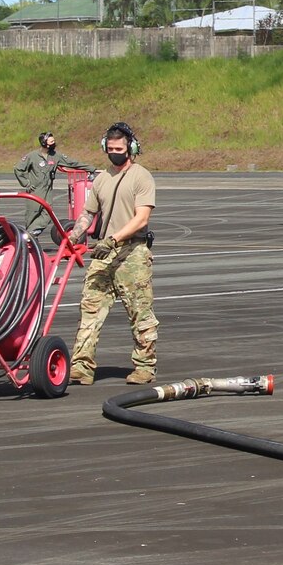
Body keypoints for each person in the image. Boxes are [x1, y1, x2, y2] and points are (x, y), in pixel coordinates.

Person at [64, 122, 159, 386]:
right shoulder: (101, 179)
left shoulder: (141, 177)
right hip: (103, 254)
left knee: (140, 311)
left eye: (120, 148)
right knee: (90, 309)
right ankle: (81, 367)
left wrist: (114, 238)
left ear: (131, 148)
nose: (115, 152)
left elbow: (141, 219)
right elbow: (88, 213)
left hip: (132, 252)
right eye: (111, 148)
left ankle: (144, 366)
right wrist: (74, 234)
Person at [12, 131, 92, 242]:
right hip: (35, 190)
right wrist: (26, 183)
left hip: (47, 191)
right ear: (44, 143)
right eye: (51, 141)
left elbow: (72, 163)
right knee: (32, 215)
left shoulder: (55, 156)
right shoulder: (32, 156)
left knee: (47, 214)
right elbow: (18, 169)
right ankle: (28, 239)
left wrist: (90, 168)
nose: (54, 143)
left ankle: (30, 234)